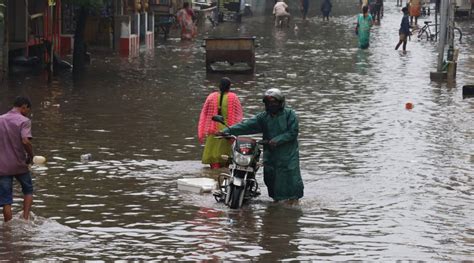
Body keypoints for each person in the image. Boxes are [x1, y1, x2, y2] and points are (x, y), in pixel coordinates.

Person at [219, 88, 304, 203]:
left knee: (290, 178)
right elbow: (247, 125)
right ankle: (276, 204)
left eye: (274, 102)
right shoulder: (263, 117)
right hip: (271, 153)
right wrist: (227, 131)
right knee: (271, 177)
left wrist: (277, 140)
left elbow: (293, 132)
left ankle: (293, 202)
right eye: (269, 103)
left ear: (281, 103)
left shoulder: (289, 114)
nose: (271, 105)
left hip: (287, 154)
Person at [0, 96, 34, 222]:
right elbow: (25, 141)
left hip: (2, 166)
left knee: (6, 199)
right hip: (19, 164)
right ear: (24, 106)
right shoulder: (24, 121)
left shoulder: (0, 119)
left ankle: (8, 226)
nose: (27, 113)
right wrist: (31, 156)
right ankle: (25, 219)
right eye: (27, 110)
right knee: (28, 190)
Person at [198, 78, 243, 169]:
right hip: (227, 130)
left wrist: (202, 130)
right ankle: (223, 176)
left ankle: (214, 174)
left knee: (213, 157)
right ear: (229, 87)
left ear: (219, 86)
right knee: (225, 157)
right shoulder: (233, 97)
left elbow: (204, 113)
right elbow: (239, 115)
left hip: (213, 130)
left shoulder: (211, 97)